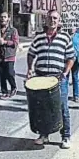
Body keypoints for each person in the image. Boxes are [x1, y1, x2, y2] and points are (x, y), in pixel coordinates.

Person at [27, 9, 74, 149]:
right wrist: (30, 69)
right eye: (50, 18)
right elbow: (31, 53)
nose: (52, 20)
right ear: (45, 20)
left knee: (62, 107)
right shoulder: (39, 37)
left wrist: (65, 72)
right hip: (41, 77)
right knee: (42, 108)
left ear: (59, 21)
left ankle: (66, 136)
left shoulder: (65, 37)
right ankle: (44, 135)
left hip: (58, 78)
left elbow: (71, 57)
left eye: (55, 18)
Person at [0, 12, 19, 99]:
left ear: (8, 19)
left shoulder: (13, 30)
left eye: (4, 17)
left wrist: (5, 42)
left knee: (10, 73)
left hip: (9, 56)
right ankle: (4, 91)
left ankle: (13, 87)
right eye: (1, 17)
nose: (2, 19)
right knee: (2, 75)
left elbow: (15, 43)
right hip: (0, 56)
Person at [69, 28, 79, 103]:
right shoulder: (64, 35)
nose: (72, 28)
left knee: (75, 77)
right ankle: (63, 96)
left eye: (73, 27)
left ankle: (76, 95)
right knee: (64, 78)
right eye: (70, 26)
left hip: (76, 59)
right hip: (66, 59)